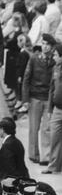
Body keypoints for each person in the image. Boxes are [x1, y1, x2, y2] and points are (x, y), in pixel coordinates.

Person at [22, 33, 55, 165]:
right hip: (35, 97)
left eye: (48, 45)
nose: (45, 47)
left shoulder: (54, 60)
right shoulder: (34, 58)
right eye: (44, 44)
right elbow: (26, 78)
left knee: (46, 128)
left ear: (52, 47)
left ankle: (45, 156)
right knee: (34, 127)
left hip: (48, 97)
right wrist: (25, 99)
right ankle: (33, 154)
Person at [0, 117, 29, 195]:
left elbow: (9, 170)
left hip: (10, 186)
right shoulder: (17, 142)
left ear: (2, 130)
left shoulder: (7, 146)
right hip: (21, 179)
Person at [44, 42, 62, 174]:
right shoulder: (55, 68)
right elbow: (52, 89)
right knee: (54, 138)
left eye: (56, 55)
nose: (54, 57)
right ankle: (53, 166)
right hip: (57, 108)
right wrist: (50, 109)